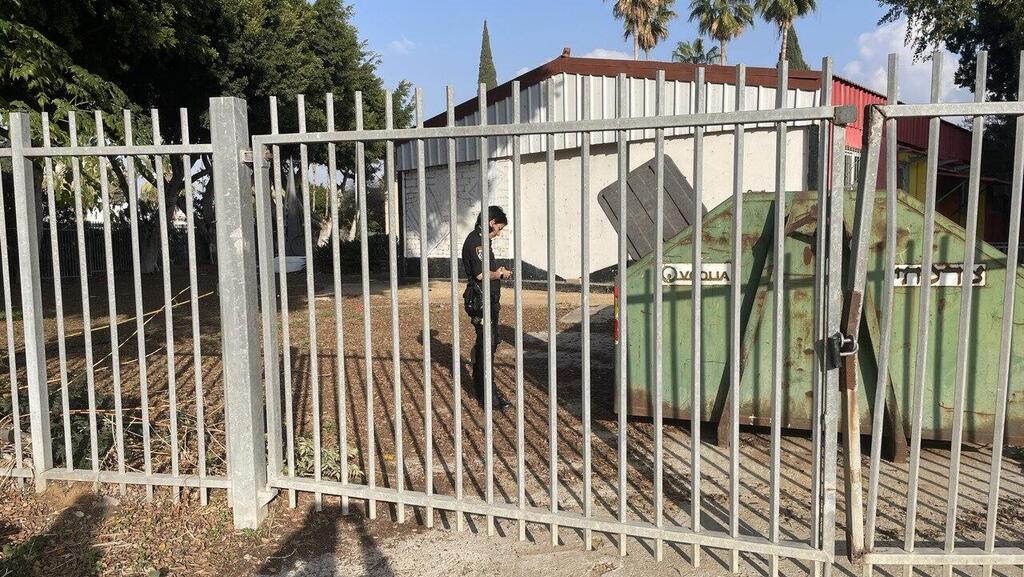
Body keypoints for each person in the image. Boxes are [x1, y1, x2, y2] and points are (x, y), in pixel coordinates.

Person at [462, 205, 512, 411]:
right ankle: (487, 394)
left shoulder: (482, 240)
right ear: (491, 222)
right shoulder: (476, 242)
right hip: (481, 302)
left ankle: (482, 388)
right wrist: (499, 274)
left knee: (488, 344)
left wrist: (496, 272)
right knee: (487, 346)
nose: (499, 233)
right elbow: (480, 274)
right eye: (499, 228)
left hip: (488, 300)